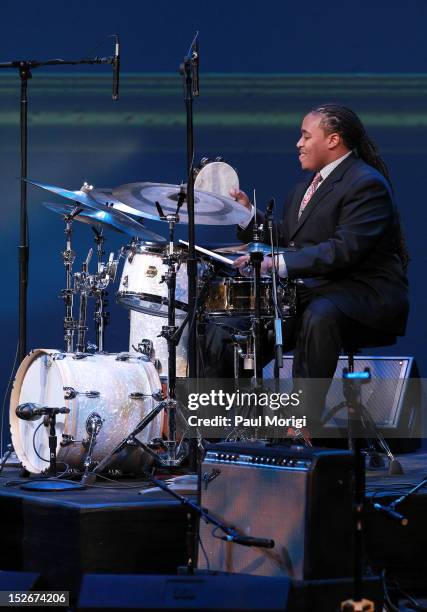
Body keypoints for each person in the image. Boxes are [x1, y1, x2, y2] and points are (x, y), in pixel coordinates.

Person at [205, 104, 409, 431]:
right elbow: (290, 238)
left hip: (364, 296)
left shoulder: (365, 184)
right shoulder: (304, 188)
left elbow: (343, 250)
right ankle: (217, 426)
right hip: (316, 292)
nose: (298, 144)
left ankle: (300, 425)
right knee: (229, 327)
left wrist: (277, 264)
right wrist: (247, 214)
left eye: (305, 136)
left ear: (333, 140)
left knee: (319, 315)